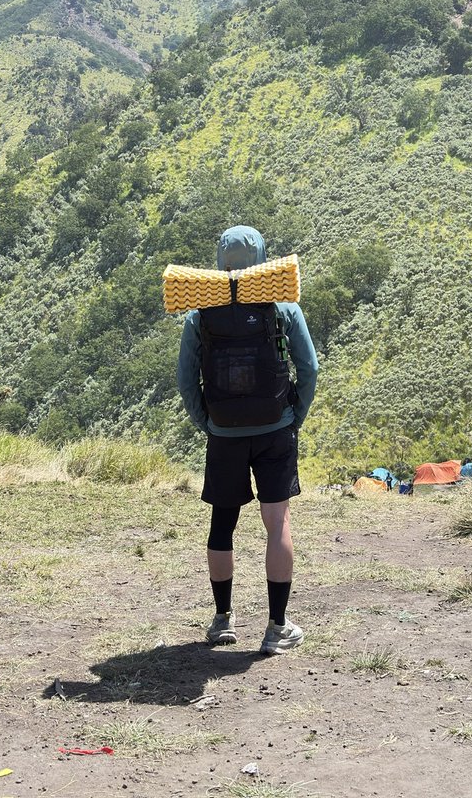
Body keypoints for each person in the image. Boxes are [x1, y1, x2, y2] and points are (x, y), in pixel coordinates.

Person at [177, 225, 319, 655]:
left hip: (225, 434)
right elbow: (309, 369)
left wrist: (208, 422)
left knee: (223, 524)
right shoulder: (282, 306)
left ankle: (223, 620)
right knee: (277, 523)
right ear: (261, 259)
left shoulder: (200, 313)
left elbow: (186, 380)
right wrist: (293, 417)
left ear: (220, 262)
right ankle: (277, 627)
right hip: (276, 428)